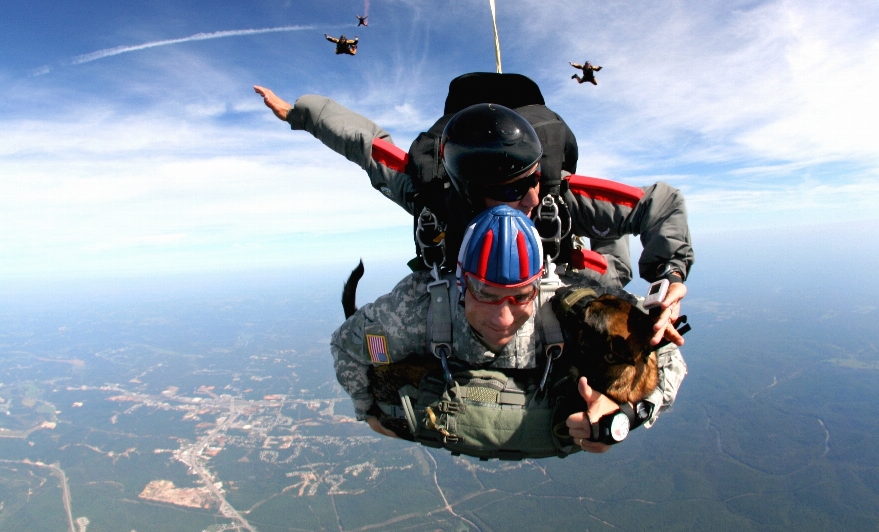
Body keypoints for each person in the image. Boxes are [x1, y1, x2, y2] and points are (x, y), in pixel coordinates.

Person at [253, 84, 693, 345]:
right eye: (505, 192)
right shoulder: (434, 195)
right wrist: (300, 114)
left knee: (611, 278)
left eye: (530, 181)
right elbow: (368, 146)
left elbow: (661, 204)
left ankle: (603, 240)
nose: (525, 199)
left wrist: (668, 280)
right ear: (466, 192)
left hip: (556, 261)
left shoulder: (556, 195)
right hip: (463, 267)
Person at [330, 205, 688, 455]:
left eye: (520, 297)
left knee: (613, 273)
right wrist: (369, 410)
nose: (502, 318)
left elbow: (670, 355)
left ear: (539, 284)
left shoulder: (569, 298)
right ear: (460, 284)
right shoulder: (415, 311)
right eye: (485, 293)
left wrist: (626, 413)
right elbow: (347, 346)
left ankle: (608, 238)